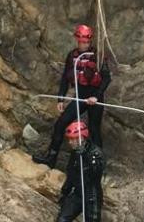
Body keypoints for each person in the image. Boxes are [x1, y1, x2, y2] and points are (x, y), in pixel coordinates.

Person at [34, 24, 111, 168]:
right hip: (80, 96)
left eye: (87, 42)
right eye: (82, 42)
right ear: (77, 40)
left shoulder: (98, 56)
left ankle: (98, 166)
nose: (84, 45)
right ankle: (51, 158)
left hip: (95, 98)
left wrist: (96, 96)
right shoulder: (72, 56)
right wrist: (61, 98)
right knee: (60, 124)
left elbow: (106, 78)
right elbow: (65, 77)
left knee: (94, 130)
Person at [54, 120, 106, 222]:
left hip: (91, 195)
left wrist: (87, 161)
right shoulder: (75, 153)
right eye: (69, 140)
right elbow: (71, 174)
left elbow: (97, 173)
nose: (70, 143)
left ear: (81, 138)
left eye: (72, 139)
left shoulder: (95, 153)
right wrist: (65, 192)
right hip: (77, 193)